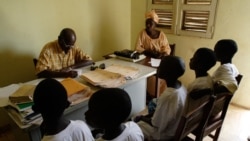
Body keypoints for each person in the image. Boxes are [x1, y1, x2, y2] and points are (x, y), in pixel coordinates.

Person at [134, 55, 187, 141]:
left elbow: (155, 123)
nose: (158, 67)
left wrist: (141, 118)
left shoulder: (168, 96)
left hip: (165, 135)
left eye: (161, 66)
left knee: (134, 126)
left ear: (168, 72)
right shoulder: (182, 87)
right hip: (176, 127)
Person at [135, 10, 171, 99]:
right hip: (145, 61)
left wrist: (162, 54)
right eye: (146, 23)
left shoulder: (161, 35)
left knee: (159, 76)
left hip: (158, 61)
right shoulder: (142, 33)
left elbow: (167, 49)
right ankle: (145, 94)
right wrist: (148, 52)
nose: (148, 26)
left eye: (150, 24)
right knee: (142, 74)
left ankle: (157, 96)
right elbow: (137, 48)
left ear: (155, 25)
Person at [211, 39, 240, 117]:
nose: (214, 52)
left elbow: (233, 85)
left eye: (216, 50)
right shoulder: (232, 67)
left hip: (211, 109)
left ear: (224, 54)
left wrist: (207, 91)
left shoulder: (224, 68)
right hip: (217, 106)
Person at [184, 47, 216, 113]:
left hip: (189, 119)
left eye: (194, 58)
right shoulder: (208, 78)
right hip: (197, 115)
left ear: (200, 64)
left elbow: (185, 108)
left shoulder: (196, 85)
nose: (191, 59)